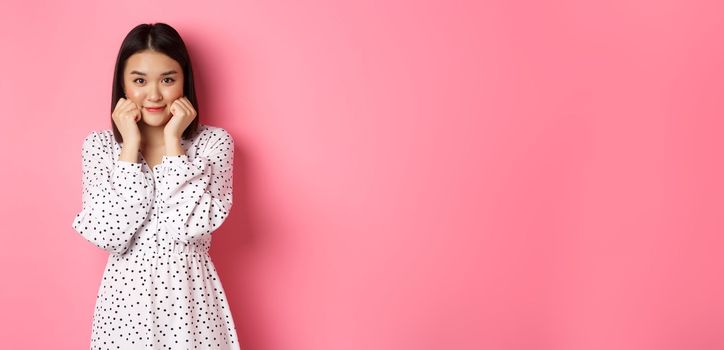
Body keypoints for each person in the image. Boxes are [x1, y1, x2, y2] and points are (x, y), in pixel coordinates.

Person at [71, 22, 241, 349]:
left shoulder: (213, 144)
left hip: (191, 306)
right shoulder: (100, 148)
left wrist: (174, 143)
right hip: (123, 310)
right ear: (122, 85)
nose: (153, 94)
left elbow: (187, 226)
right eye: (139, 80)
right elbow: (109, 234)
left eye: (167, 79)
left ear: (184, 81)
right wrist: (129, 149)